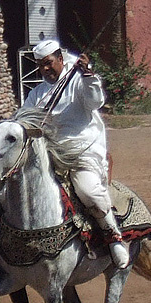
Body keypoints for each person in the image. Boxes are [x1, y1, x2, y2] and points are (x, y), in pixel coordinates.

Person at [22, 38, 129, 268]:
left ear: (60, 58)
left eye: (49, 63)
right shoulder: (37, 93)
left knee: (88, 191)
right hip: (49, 153)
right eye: (40, 65)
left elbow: (95, 101)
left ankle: (113, 235)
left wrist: (89, 76)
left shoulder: (79, 80)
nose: (45, 69)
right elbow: (23, 118)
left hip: (81, 150)